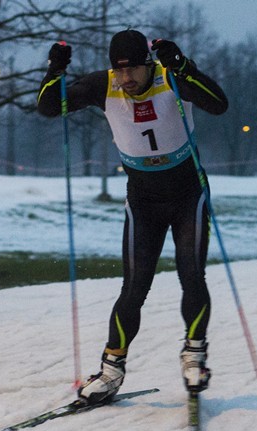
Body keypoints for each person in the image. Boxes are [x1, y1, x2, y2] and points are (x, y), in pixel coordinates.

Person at [37, 30, 228, 404]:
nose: (125, 80)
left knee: (191, 275)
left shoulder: (170, 77)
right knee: (134, 288)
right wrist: (55, 69)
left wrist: (184, 66)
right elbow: (49, 107)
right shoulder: (103, 85)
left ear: (148, 64)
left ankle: (194, 356)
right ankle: (110, 372)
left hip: (188, 194)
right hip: (143, 199)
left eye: (133, 71)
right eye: (119, 71)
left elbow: (219, 104)